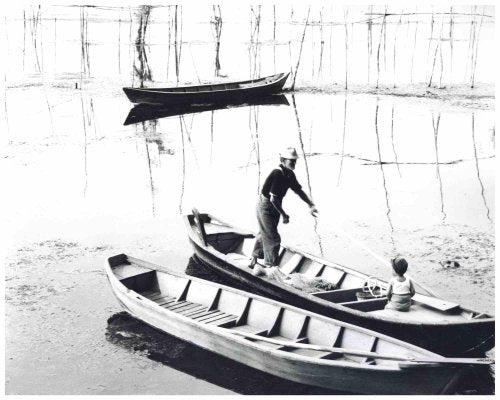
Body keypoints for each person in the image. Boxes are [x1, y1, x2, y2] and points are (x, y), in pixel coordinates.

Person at [249, 147, 318, 275]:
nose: (293, 163)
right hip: (266, 205)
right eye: (291, 161)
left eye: (295, 161)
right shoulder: (277, 173)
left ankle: (253, 259)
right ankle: (270, 268)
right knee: (273, 238)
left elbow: (299, 191)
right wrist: (284, 215)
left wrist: (311, 205)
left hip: (275, 204)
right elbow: (273, 199)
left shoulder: (290, 175)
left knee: (265, 232)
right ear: (283, 160)